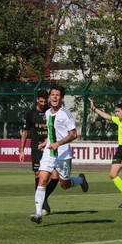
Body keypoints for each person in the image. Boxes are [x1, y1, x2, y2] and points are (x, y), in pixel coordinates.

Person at [30, 84, 89, 224]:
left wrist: (59, 144)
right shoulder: (47, 113)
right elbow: (52, 133)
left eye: (57, 95)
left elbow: (74, 134)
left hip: (63, 155)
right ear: (49, 97)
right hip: (49, 153)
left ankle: (80, 179)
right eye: (52, 94)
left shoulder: (65, 114)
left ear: (61, 98)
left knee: (64, 184)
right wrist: (46, 142)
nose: (54, 97)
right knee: (42, 179)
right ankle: (38, 213)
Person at [89, 98, 122, 208]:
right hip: (120, 149)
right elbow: (107, 117)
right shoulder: (119, 121)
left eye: (118, 111)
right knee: (113, 174)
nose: (116, 113)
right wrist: (94, 108)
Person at [20, 89, 58, 215]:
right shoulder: (31, 114)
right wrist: (21, 150)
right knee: (38, 176)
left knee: (55, 177)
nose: (43, 103)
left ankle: (43, 197)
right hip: (36, 149)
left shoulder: (50, 112)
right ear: (37, 100)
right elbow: (25, 132)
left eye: (45, 101)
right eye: (41, 101)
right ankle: (43, 206)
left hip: (50, 148)